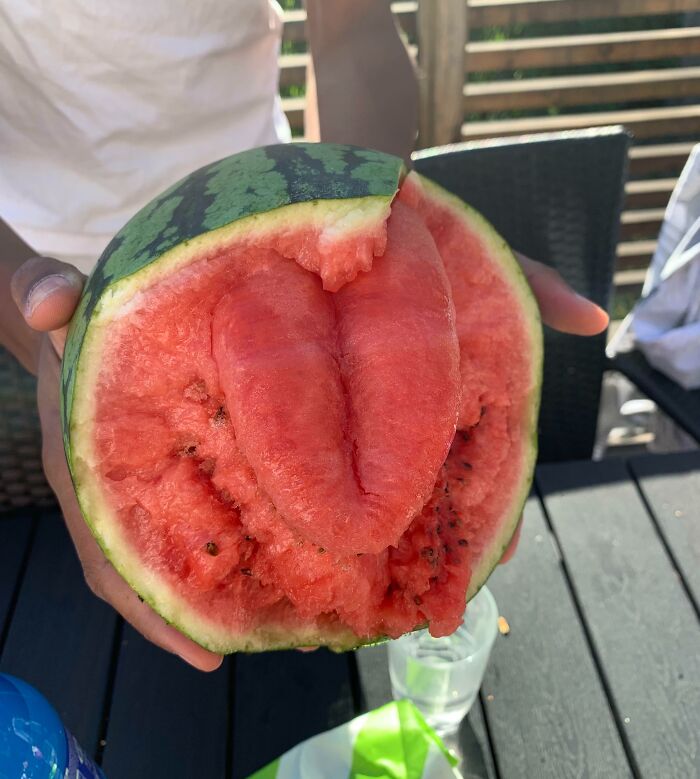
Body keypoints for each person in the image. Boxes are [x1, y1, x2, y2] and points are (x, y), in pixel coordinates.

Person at [0, 0, 609, 672]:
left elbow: (351, 28)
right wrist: (57, 341)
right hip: (43, 268)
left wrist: (376, 237)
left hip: (287, 208)